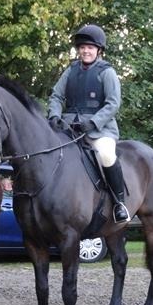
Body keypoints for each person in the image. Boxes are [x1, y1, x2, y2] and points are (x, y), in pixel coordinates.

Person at [47, 24, 129, 222]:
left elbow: (113, 103)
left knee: (106, 155)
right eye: (82, 47)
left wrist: (93, 123)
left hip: (99, 130)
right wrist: (54, 116)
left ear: (98, 50)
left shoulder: (107, 72)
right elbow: (56, 96)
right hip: (69, 128)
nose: (85, 51)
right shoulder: (71, 70)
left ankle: (119, 203)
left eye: (90, 47)